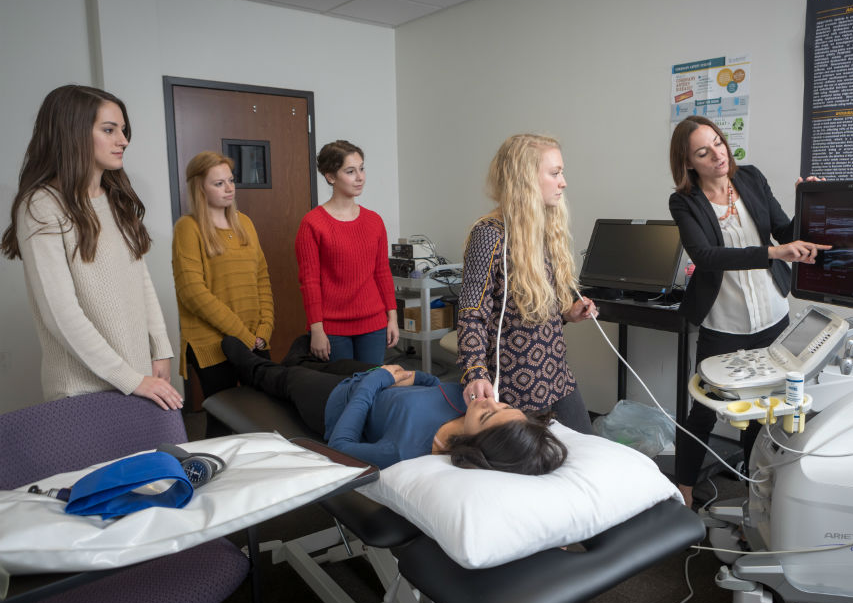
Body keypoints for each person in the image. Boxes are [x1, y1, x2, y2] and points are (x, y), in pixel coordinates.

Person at [667, 115, 829, 507]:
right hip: (724, 323)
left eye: (718, 143)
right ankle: (683, 491)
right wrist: (773, 252)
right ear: (689, 163)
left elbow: (786, 232)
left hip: (773, 314)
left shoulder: (751, 178)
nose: (717, 155)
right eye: (703, 152)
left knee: (766, 410)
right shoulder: (684, 201)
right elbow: (706, 257)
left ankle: (755, 492)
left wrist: (812, 204)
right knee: (704, 410)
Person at [1, 85, 182, 410]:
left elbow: (142, 283)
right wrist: (131, 379)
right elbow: (61, 316)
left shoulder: (115, 201)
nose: (123, 140)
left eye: (123, 130)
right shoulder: (40, 205)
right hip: (83, 391)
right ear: (72, 133)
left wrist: (160, 349)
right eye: (109, 130)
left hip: (138, 380)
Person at [221, 335, 567, 474]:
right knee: (317, 359)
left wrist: (375, 382)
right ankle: (299, 358)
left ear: (483, 443)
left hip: (335, 402)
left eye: (492, 414)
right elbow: (436, 382)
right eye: (505, 405)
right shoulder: (465, 405)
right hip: (380, 379)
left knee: (281, 379)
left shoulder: (405, 450)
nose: (492, 402)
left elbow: (339, 446)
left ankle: (247, 364)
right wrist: (414, 377)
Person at [457, 133, 597, 434]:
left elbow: (526, 310)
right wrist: (475, 373)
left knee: (589, 449)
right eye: (555, 173)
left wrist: (566, 315)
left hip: (557, 376)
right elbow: (472, 313)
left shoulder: (544, 230)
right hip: (516, 386)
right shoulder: (489, 234)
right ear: (525, 178)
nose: (563, 182)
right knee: (537, 471)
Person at [172, 151, 274, 398]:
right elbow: (193, 293)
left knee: (264, 414)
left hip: (255, 340)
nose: (229, 188)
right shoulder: (188, 228)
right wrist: (241, 334)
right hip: (212, 343)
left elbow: (262, 277)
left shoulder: (245, 223)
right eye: (219, 183)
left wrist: (265, 327)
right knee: (223, 421)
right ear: (200, 188)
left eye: (231, 180)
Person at [295, 140, 398, 365]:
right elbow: (309, 282)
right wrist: (317, 330)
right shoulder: (312, 223)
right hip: (332, 329)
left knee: (372, 389)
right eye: (350, 171)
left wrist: (392, 317)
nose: (360, 177)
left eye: (362, 168)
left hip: (374, 324)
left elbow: (382, 272)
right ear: (331, 177)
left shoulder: (374, 221)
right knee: (343, 393)